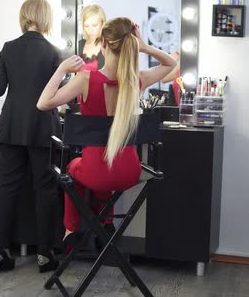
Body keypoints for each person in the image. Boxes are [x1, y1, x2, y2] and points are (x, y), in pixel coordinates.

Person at [37, 17, 177, 243]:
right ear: (131, 45)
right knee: (103, 167)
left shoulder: (85, 79)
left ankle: (71, 229)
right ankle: (105, 222)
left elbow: (43, 103)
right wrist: (144, 46)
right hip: (129, 172)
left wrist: (62, 68)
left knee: (75, 168)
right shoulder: (137, 81)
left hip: (96, 172)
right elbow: (171, 64)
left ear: (103, 44)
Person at [0, 0, 67, 274]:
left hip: (10, 127)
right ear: (46, 18)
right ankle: (45, 255)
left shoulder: (8, 48)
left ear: (24, 16)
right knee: (44, 188)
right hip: (41, 128)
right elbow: (59, 96)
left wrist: (1, 67)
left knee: (7, 186)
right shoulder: (53, 53)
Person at [78, 4, 106, 71]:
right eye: (86, 26)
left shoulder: (108, 47)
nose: (90, 30)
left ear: (102, 24)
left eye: (94, 25)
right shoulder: (79, 44)